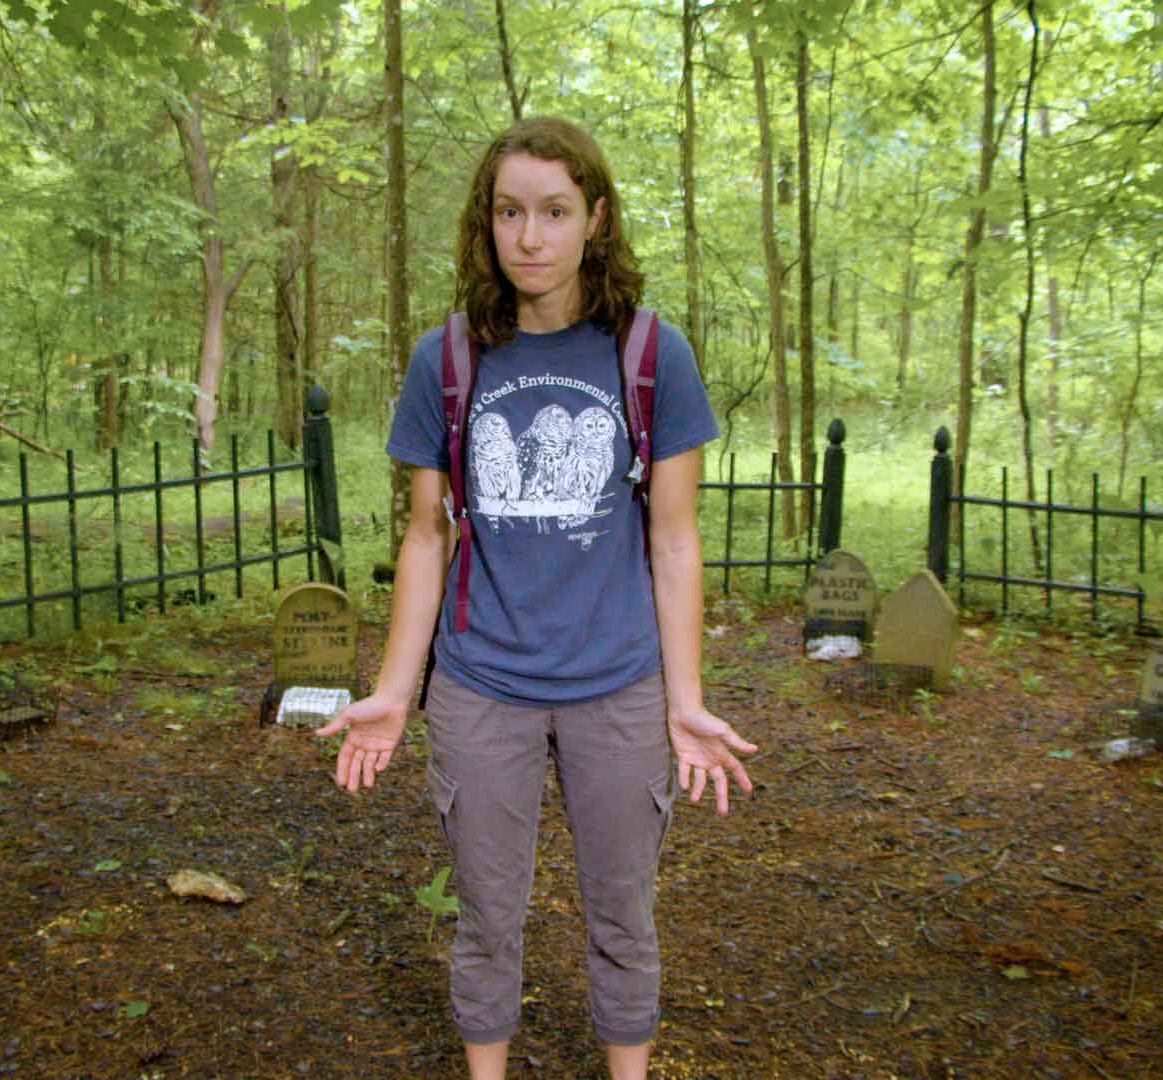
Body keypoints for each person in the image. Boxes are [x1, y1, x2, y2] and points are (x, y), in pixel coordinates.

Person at [313, 116, 757, 1080]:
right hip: (482, 687)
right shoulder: (448, 360)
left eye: (555, 211)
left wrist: (685, 704)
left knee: (623, 913)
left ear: (595, 219)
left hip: (618, 683)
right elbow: (428, 536)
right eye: (511, 211)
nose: (531, 236)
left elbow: (673, 538)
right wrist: (396, 689)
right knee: (486, 915)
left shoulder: (651, 355)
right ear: (488, 223)